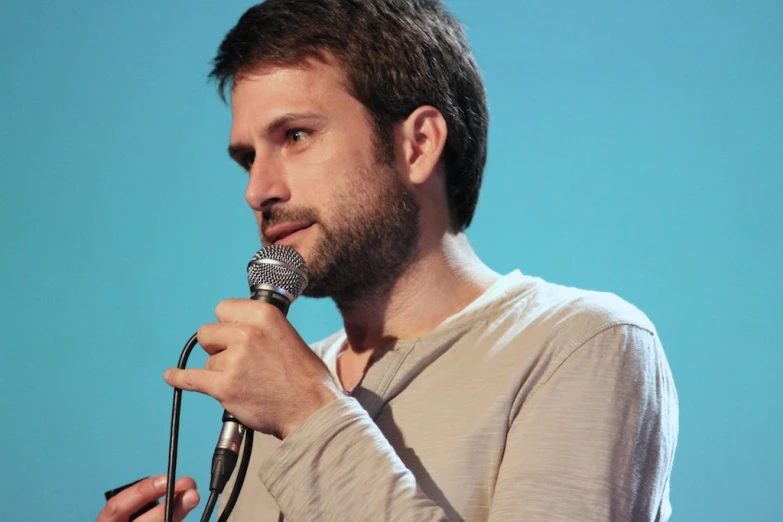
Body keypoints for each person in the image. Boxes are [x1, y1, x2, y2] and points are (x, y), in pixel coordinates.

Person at [97, 0, 679, 520]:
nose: (258, 190)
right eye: (247, 157)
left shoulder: (582, 344)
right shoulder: (280, 384)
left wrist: (308, 417)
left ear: (418, 144)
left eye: (295, 136)